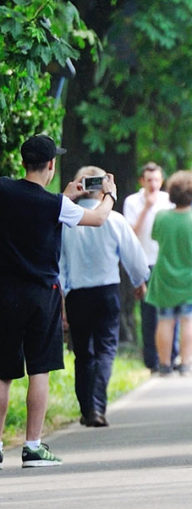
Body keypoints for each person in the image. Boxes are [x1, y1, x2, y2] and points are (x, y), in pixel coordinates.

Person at [1, 134, 117, 468]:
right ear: (51, 165)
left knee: (3, 374)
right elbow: (97, 219)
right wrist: (107, 195)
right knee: (39, 368)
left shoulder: (4, 189)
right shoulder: (56, 205)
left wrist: (64, 196)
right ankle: (33, 446)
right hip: (42, 295)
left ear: (24, 162)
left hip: (5, 293)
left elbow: (26, 204)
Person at [59, 166, 149, 427]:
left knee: (83, 354)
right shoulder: (115, 219)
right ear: (104, 186)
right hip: (106, 291)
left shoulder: (67, 221)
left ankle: (87, 408)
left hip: (76, 294)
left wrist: (63, 299)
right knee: (106, 350)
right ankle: (98, 406)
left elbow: (60, 263)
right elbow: (133, 255)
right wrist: (139, 281)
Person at [146, 171, 192, 376]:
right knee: (188, 320)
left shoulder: (162, 217)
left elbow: (155, 237)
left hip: (165, 277)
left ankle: (165, 365)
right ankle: (185, 364)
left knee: (165, 321)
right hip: (191, 279)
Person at [123, 162, 179, 372]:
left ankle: (172, 357)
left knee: (170, 311)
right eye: (149, 180)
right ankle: (152, 360)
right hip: (144, 262)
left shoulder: (169, 201)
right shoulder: (132, 202)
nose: (153, 184)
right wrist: (146, 207)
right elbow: (131, 233)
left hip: (166, 263)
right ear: (142, 181)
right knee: (149, 313)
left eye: (157, 180)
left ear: (162, 180)